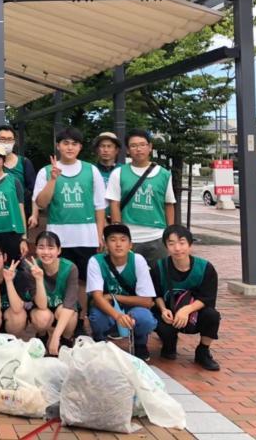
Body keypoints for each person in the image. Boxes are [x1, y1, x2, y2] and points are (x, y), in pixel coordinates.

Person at [33, 127, 106, 329]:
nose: (70, 147)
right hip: (58, 237)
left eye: (74, 143)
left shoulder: (91, 170)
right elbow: (41, 203)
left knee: (82, 280)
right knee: (58, 278)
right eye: (65, 143)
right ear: (58, 145)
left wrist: (100, 235)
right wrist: (53, 179)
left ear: (80, 147)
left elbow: (100, 206)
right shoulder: (46, 171)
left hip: (85, 236)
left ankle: (79, 318)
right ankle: (58, 316)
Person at [153, 225, 221, 371]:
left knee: (212, 316)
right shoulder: (159, 267)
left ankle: (203, 351)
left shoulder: (205, 268)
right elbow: (156, 294)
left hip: (194, 313)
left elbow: (207, 298)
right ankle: (169, 344)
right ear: (166, 246)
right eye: (171, 243)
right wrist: (163, 309)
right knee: (158, 321)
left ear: (190, 244)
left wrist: (186, 310)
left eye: (182, 242)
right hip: (169, 314)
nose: (177, 248)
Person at [107, 129, 176, 269]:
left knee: (159, 281)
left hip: (157, 236)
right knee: (129, 280)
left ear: (150, 147)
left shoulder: (164, 174)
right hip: (129, 238)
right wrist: (119, 233)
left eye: (142, 144)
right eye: (133, 146)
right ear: (127, 150)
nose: (138, 149)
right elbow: (114, 204)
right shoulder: (118, 173)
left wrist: (170, 233)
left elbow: (169, 204)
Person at [87, 224, 157, 361]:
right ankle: (100, 341)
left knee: (146, 319)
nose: (118, 244)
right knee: (97, 317)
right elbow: (97, 298)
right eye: (112, 240)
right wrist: (118, 316)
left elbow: (147, 301)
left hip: (132, 308)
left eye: (123, 240)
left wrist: (114, 297)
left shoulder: (138, 260)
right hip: (108, 309)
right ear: (106, 244)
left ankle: (140, 343)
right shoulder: (96, 261)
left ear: (130, 244)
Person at [28, 231, 79, 356]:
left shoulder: (70, 268)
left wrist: (56, 336)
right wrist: (39, 279)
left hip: (63, 308)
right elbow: (41, 305)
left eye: (51, 248)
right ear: (36, 249)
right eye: (41, 247)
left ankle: (66, 339)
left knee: (69, 314)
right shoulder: (32, 268)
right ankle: (42, 336)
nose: (46, 252)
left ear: (59, 250)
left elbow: (69, 304)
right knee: (41, 316)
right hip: (44, 309)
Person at [0, 124, 38, 229]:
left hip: (20, 214)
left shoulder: (24, 162)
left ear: (14, 142)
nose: (6, 143)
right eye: (2, 139)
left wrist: (34, 214)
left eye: (9, 139)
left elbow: (34, 191)